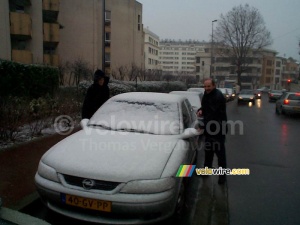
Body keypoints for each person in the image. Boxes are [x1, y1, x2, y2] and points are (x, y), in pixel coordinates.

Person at [197, 78, 228, 184]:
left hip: (218, 129)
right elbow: (205, 108)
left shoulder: (218, 97)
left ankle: (222, 176)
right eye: (205, 86)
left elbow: (213, 115)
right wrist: (200, 110)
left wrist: (203, 126)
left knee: (220, 154)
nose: (206, 88)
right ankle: (206, 171)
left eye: (208, 86)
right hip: (210, 129)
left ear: (214, 86)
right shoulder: (207, 94)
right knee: (208, 151)